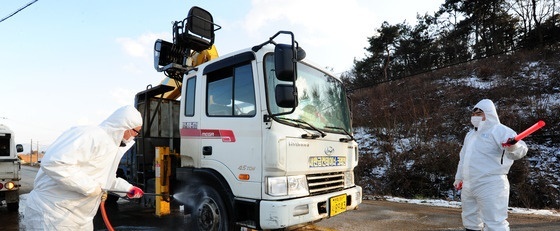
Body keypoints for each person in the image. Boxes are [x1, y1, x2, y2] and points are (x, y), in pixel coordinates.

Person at [24, 105, 145, 230]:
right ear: (124, 126)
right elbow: (55, 163)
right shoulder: (90, 135)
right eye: (135, 131)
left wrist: (128, 189)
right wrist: (90, 187)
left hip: (81, 218)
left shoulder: (113, 147)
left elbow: (104, 179)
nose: (134, 136)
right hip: (52, 213)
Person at [453, 99, 528, 231]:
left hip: (491, 184)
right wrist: (459, 178)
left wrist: (513, 146)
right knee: (470, 220)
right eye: (474, 114)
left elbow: (520, 151)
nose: (476, 116)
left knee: (495, 222)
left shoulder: (500, 131)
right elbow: (463, 158)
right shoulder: (470, 135)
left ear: (489, 113)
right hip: (469, 184)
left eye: (480, 113)